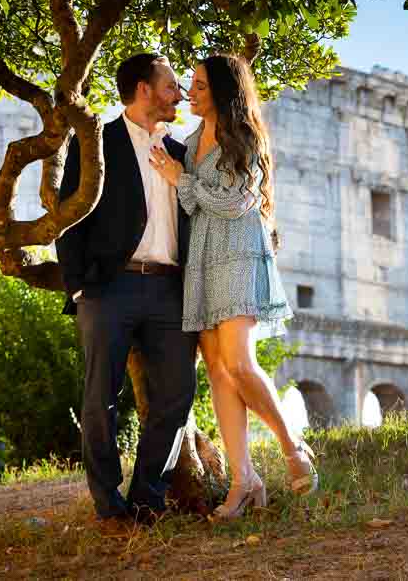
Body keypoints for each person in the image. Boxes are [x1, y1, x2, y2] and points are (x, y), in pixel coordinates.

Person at [149, 53, 317, 520]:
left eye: (200, 85)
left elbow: (235, 203)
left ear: (223, 90)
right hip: (200, 260)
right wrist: (180, 179)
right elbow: (189, 204)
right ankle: (244, 481)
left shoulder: (245, 137)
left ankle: (292, 449)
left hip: (239, 253)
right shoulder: (189, 140)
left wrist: (182, 179)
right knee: (218, 372)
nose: (190, 92)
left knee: (240, 363)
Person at [56, 53, 197, 526]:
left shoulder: (181, 151)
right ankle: (108, 504)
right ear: (143, 89)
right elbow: (67, 216)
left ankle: (146, 497)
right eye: (171, 86)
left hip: (169, 290)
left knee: (178, 392)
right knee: (100, 397)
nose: (180, 95)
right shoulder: (97, 142)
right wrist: (78, 288)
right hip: (108, 288)